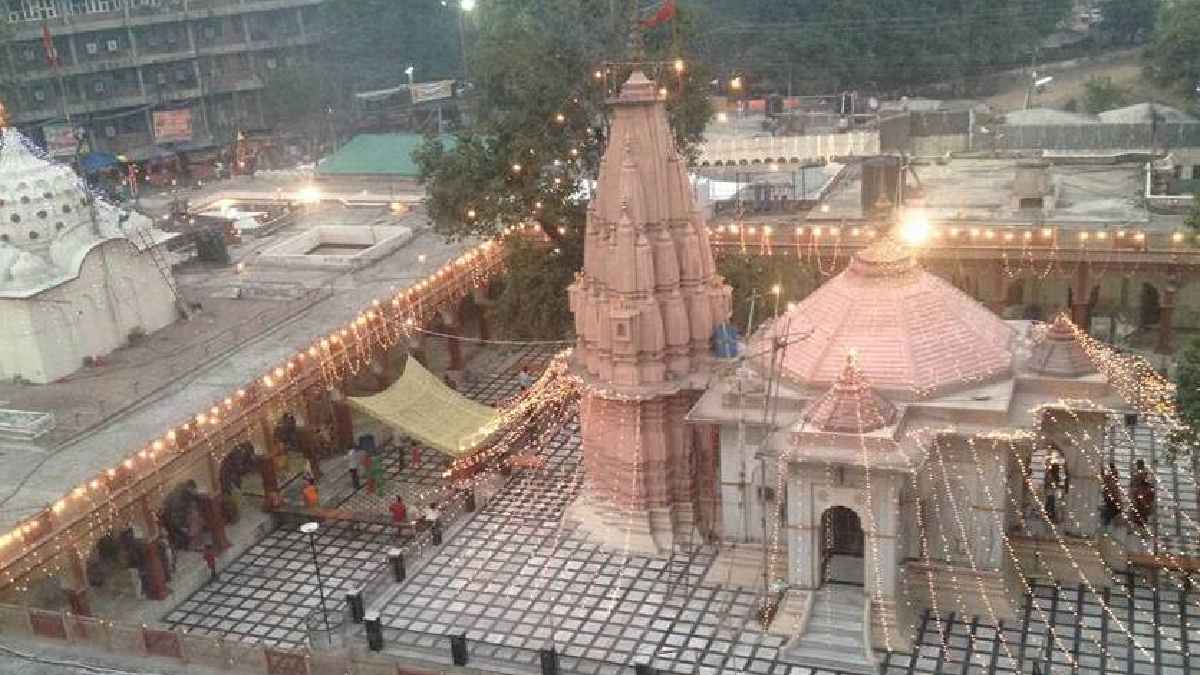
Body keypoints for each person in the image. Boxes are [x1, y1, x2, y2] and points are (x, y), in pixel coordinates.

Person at [1101, 461, 1122, 527]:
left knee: (1108, 513)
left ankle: (1106, 525)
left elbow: (1103, 477)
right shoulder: (1113, 479)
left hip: (1111, 499)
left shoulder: (1109, 478)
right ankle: (1108, 525)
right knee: (1110, 513)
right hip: (1113, 499)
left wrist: (1102, 470)